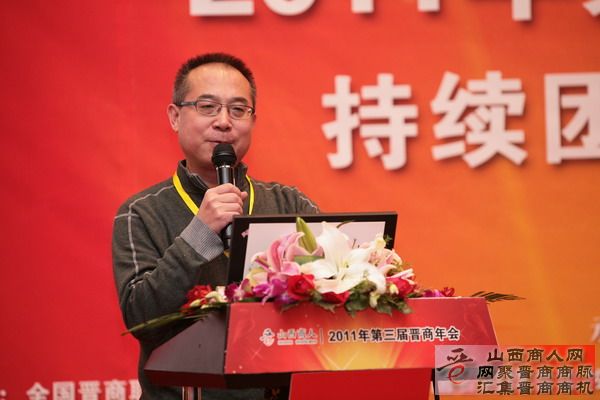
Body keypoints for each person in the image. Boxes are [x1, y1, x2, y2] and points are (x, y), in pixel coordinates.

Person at [112, 53, 319, 400]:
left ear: (252, 121)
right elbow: (141, 319)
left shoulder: (289, 204)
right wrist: (200, 234)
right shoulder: (141, 213)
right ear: (175, 117)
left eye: (238, 110)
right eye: (207, 107)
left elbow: (332, 292)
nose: (224, 122)